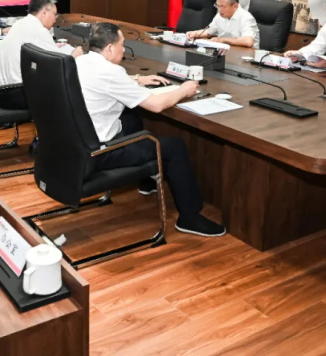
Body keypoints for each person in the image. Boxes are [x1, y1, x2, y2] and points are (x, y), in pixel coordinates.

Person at [75, 22, 225, 237]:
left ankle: (146, 181)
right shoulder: (111, 72)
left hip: (78, 143)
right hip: (101, 152)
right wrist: (184, 90)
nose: (124, 50)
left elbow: (105, 81)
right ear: (109, 48)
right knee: (174, 147)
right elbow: (156, 105)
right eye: (122, 45)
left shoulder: (81, 61)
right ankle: (190, 217)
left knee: (132, 119)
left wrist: (138, 79)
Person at [0, 0, 83, 109]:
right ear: (44, 12)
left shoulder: (20, 23)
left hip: (2, 91)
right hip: (18, 94)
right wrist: (74, 55)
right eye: (54, 14)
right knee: (71, 87)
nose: (55, 19)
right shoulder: (39, 30)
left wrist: (53, 46)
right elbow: (59, 68)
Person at [185, 0, 260, 49]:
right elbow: (209, 32)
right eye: (217, 6)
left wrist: (222, 40)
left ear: (235, 6)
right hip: (227, 52)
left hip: (245, 55)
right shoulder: (220, 16)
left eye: (223, 6)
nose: (219, 9)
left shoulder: (246, 18)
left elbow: (248, 41)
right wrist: (195, 33)